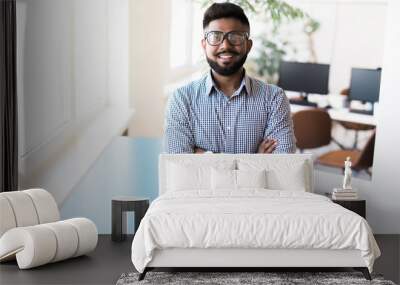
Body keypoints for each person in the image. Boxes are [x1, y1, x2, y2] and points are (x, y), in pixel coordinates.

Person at [164, 2, 296, 154]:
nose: (225, 45)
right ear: (204, 45)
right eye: (215, 37)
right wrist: (256, 159)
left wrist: (203, 156)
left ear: (248, 45)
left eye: (235, 37)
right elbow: (181, 167)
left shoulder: (274, 98)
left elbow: (282, 165)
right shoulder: (182, 99)